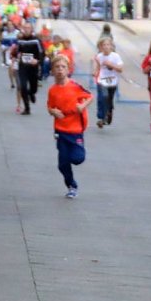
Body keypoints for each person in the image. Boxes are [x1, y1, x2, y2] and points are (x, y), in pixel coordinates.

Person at [46, 54, 92, 198]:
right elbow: (49, 106)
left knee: (78, 159)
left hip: (75, 130)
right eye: (57, 67)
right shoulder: (52, 90)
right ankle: (72, 185)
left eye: (63, 67)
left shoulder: (75, 86)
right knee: (62, 164)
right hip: (60, 130)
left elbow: (90, 96)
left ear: (68, 69)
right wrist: (52, 111)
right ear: (52, 70)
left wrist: (82, 106)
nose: (60, 70)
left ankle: (76, 151)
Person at [93, 36, 123, 128]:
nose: (106, 47)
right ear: (100, 47)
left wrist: (111, 64)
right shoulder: (99, 56)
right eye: (104, 45)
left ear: (111, 46)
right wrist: (95, 72)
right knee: (102, 97)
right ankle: (101, 117)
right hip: (101, 80)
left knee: (109, 99)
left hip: (112, 81)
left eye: (108, 45)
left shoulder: (115, 56)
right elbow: (97, 67)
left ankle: (109, 112)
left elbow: (120, 69)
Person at [15, 21, 44, 115]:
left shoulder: (36, 40)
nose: (26, 29)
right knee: (22, 86)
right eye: (25, 28)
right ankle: (27, 108)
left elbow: (42, 52)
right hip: (23, 66)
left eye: (28, 28)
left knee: (34, 88)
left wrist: (37, 61)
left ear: (31, 29)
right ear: (23, 29)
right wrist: (17, 55)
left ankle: (31, 93)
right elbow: (17, 51)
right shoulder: (20, 40)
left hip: (33, 67)